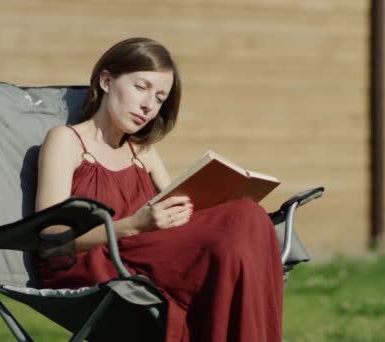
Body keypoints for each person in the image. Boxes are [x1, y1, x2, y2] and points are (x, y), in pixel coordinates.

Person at [34, 37, 283, 342]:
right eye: (141, 87)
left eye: (160, 98)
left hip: (145, 256)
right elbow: (51, 239)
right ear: (107, 81)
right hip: (95, 262)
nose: (149, 105)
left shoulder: (144, 152)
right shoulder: (66, 140)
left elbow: (187, 219)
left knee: (246, 218)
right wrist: (135, 225)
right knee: (243, 222)